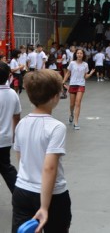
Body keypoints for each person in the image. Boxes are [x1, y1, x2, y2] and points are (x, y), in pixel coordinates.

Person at [12, 69, 71, 233]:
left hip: (22, 190)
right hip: (52, 196)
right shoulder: (56, 127)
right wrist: (44, 207)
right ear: (54, 98)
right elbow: (49, 167)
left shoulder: (22, 124)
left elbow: (21, 157)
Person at [0, 62, 21, 194]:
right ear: (9, 75)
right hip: (5, 138)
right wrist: (14, 134)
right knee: (6, 168)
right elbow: (16, 117)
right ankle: (19, 194)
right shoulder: (13, 94)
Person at [62, 49, 95, 130]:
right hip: (72, 84)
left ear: (83, 55)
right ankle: (71, 114)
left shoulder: (85, 64)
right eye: (78, 53)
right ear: (76, 54)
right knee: (72, 104)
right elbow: (68, 73)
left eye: (81, 53)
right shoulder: (72, 63)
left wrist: (90, 73)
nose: (79, 54)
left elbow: (85, 76)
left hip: (81, 85)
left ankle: (76, 122)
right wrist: (63, 81)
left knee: (78, 103)